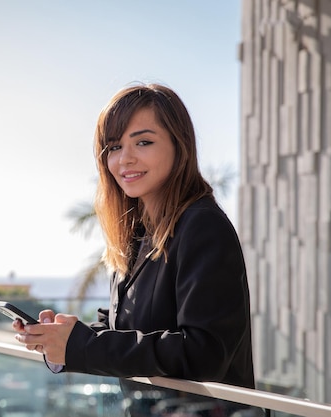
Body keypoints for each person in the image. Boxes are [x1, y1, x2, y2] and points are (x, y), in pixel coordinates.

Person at [13, 83, 255, 392]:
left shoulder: (202, 225)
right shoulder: (136, 232)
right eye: (114, 147)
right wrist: (60, 336)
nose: (124, 159)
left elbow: (204, 352)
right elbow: (125, 329)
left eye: (143, 142)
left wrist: (83, 347)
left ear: (179, 145)